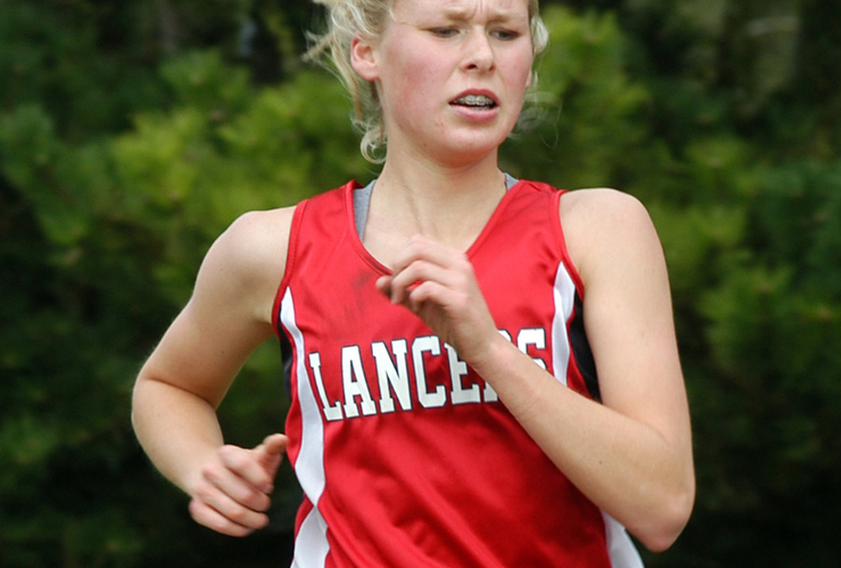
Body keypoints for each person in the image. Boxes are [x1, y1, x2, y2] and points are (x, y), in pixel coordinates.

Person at [131, 0, 695, 566]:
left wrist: (488, 350)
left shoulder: (598, 232)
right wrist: (203, 467)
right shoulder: (274, 250)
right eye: (446, 30)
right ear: (367, 51)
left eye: (504, 33)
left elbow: (662, 506)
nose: (481, 57)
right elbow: (168, 387)